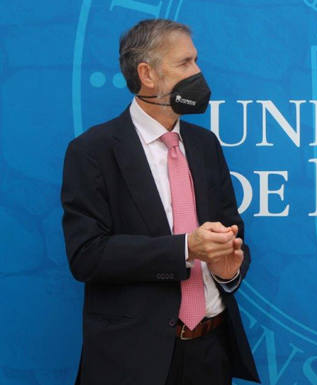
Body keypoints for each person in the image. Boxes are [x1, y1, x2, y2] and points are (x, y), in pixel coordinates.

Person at [61, 19, 259, 385]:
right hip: (133, 359)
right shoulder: (92, 152)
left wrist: (228, 268)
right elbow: (86, 255)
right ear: (147, 74)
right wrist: (185, 248)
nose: (198, 72)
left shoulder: (205, 145)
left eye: (196, 61)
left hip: (211, 352)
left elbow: (234, 233)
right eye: (185, 63)